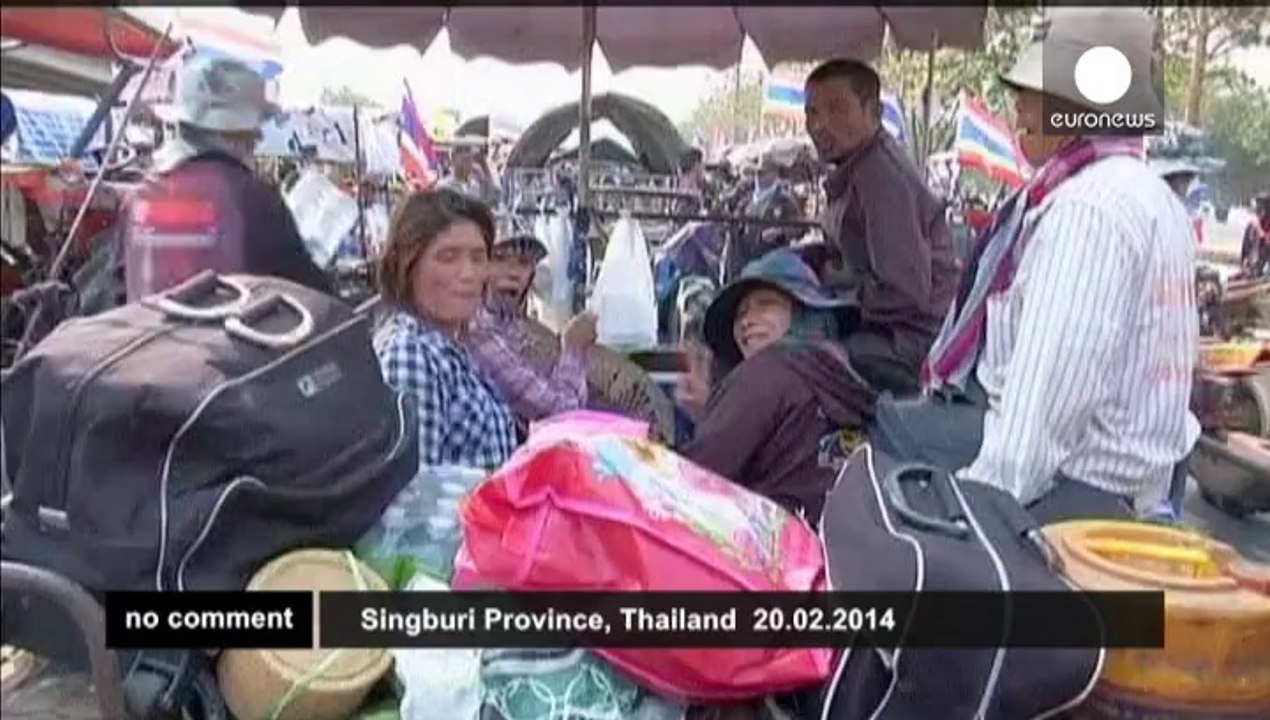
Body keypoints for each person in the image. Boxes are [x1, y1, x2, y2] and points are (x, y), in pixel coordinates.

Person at [870, 7, 1198, 524]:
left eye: (1039, 90)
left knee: (890, 427)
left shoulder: (1086, 212)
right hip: (1135, 472)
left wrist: (966, 516)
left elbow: (1038, 426)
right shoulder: (1152, 197)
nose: (1019, 104)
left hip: (1082, 481)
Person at [677, 249, 872, 523]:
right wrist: (711, 414)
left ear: (804, 311)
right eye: (741, 314)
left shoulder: (766, 372)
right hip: (840, 549)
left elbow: (693, 479)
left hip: (772, 550)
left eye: (765, 303)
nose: (746, 320)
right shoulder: (848, 380)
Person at [804, 58, 958, 396]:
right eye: (812, 113)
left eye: (836, 109)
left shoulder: (880, 177)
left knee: (797, 358)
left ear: (871, 109)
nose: (819, 125)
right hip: (888, 327)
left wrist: (837, 295)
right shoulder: (855, 170)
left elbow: (906, 291)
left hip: (913, 340)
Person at [121, 55, 332, 300]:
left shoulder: (138, 199)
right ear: (235, 132)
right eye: (253, 130)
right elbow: (311, 291)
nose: (258, 139)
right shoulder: (254, 199)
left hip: (149, 338)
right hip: (228, 337)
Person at [374, 188, 517, 469]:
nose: (468, 273)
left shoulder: (451, 345)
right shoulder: (410, 352)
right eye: (448, 257)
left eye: (478, 257)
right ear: (407, 266)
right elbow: (414, 493)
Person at [464, 216, 597, 423]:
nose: (514, 273)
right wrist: (573, 348)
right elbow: (562, 411)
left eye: (523, 263)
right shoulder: (478, 331)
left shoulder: (512, 328)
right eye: (499, 259)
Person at [1241, 192, 1269, 278]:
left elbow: (1266, 240)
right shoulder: (1252, 226)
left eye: (1261, 208)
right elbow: (1245, 250)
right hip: (1253, 268)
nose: (1258, 211)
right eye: (1258, 208)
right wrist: (1245, 263)